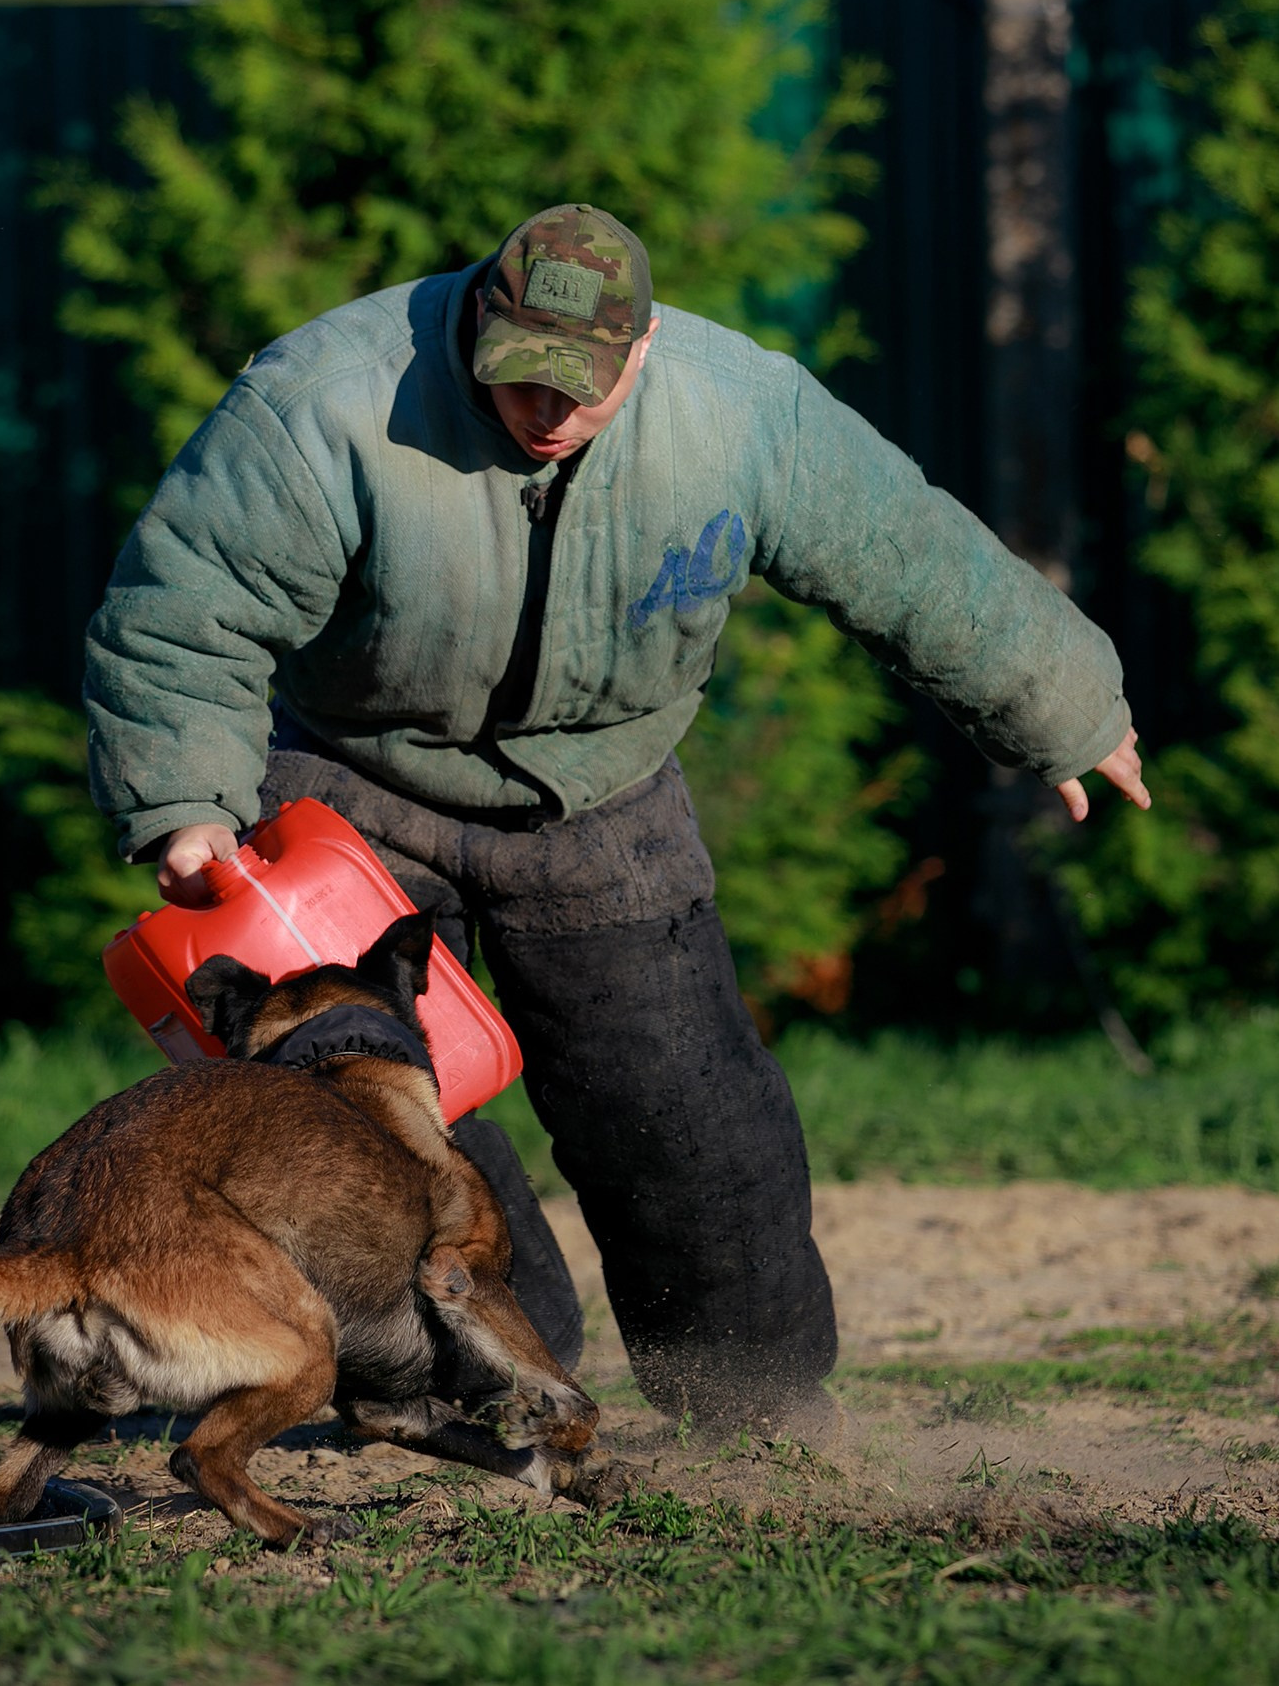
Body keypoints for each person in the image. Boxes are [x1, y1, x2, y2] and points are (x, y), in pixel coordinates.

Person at [83, 203, 1150, 1439]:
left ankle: (754, 1405)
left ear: (641, 353)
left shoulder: (738, 412)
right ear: (480, 317)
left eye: (581, 388)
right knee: (360, 1117)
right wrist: (184, 800)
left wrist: (1060, 706)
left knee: (692, 1127)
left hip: (608, 791)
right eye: (520, 380)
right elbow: (187, 606)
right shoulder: (324, 401)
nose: (547, 412)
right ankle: (461, 1399)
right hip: (354, 786)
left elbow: (903, 553)